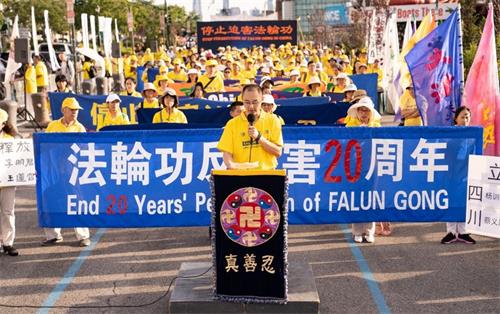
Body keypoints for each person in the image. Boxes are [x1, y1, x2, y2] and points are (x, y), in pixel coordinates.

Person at [43, 98, 91, 247]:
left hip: (73, 171)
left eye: (76, 110)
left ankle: (83, 235)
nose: (74, 112)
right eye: (71, 109)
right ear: (63, 110)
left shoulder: (79, 128)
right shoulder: (52, 126)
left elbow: (84, 149)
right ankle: (53, 235)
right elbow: (44, 146)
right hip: (54, 171)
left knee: (76, 200)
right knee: (51, 201)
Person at [217, 84, 283, 170]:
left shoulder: (273, 120)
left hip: (266, 175)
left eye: (255, 102)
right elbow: (227, 153)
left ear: (261, 100)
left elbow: (278, 151)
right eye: (247, 102)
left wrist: (259, 137)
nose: (251, 107)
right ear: (242, 100)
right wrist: (232, 166)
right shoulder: (232, 124)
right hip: (240, 175)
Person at [345, 97, 381, 243]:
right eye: (361, 110)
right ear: (357, 112)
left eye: (366, 110)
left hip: (372, 166)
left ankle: (369, 230)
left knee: (371, 197)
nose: (364, 113)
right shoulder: (349, 126)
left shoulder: (377, 127)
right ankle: (357, 231)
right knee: (356, 197)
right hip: (355, 166)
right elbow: (345, 145)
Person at [441, 106, 476, 244]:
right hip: (451, 174)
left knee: (464, 202)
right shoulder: (450, 133)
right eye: (462, 116)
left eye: (467, 116)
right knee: (450, 201)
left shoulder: (474, 134)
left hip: (466, 175)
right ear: (456, 118)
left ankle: (463, 231)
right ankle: (450, 231)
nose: (465, 119)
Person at [0, 109, 19, 256]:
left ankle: (8, 243)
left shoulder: (11, 140)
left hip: (7, 182)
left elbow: (21, 161)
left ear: (3, 124)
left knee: (8, 212)